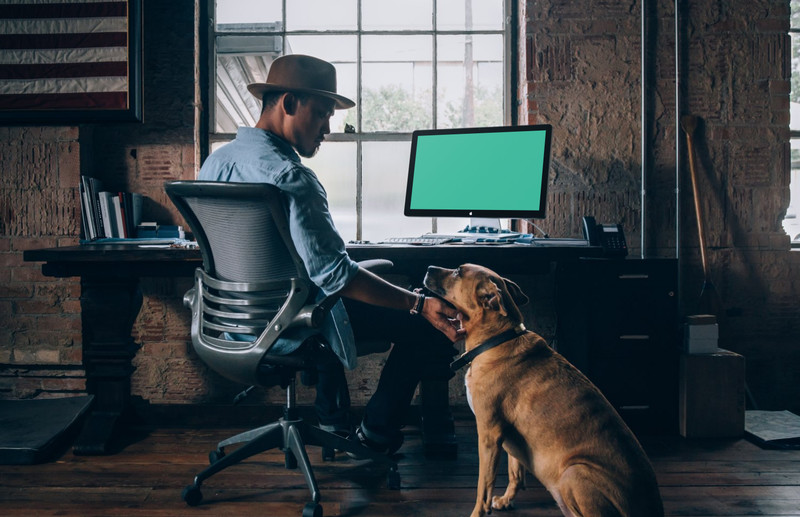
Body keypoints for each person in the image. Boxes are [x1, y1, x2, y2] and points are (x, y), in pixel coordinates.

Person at [198, 54, 461, 454]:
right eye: (321, 114)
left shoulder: (214, 165)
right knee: (426, 319)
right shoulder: (292, 177)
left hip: (232, 321)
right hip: (290, 323)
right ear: (287, 104)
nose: (327, 129)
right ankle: (375, 435)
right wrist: (419, 304)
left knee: (397, 299)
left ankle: (335, 422)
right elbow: (337, 277)